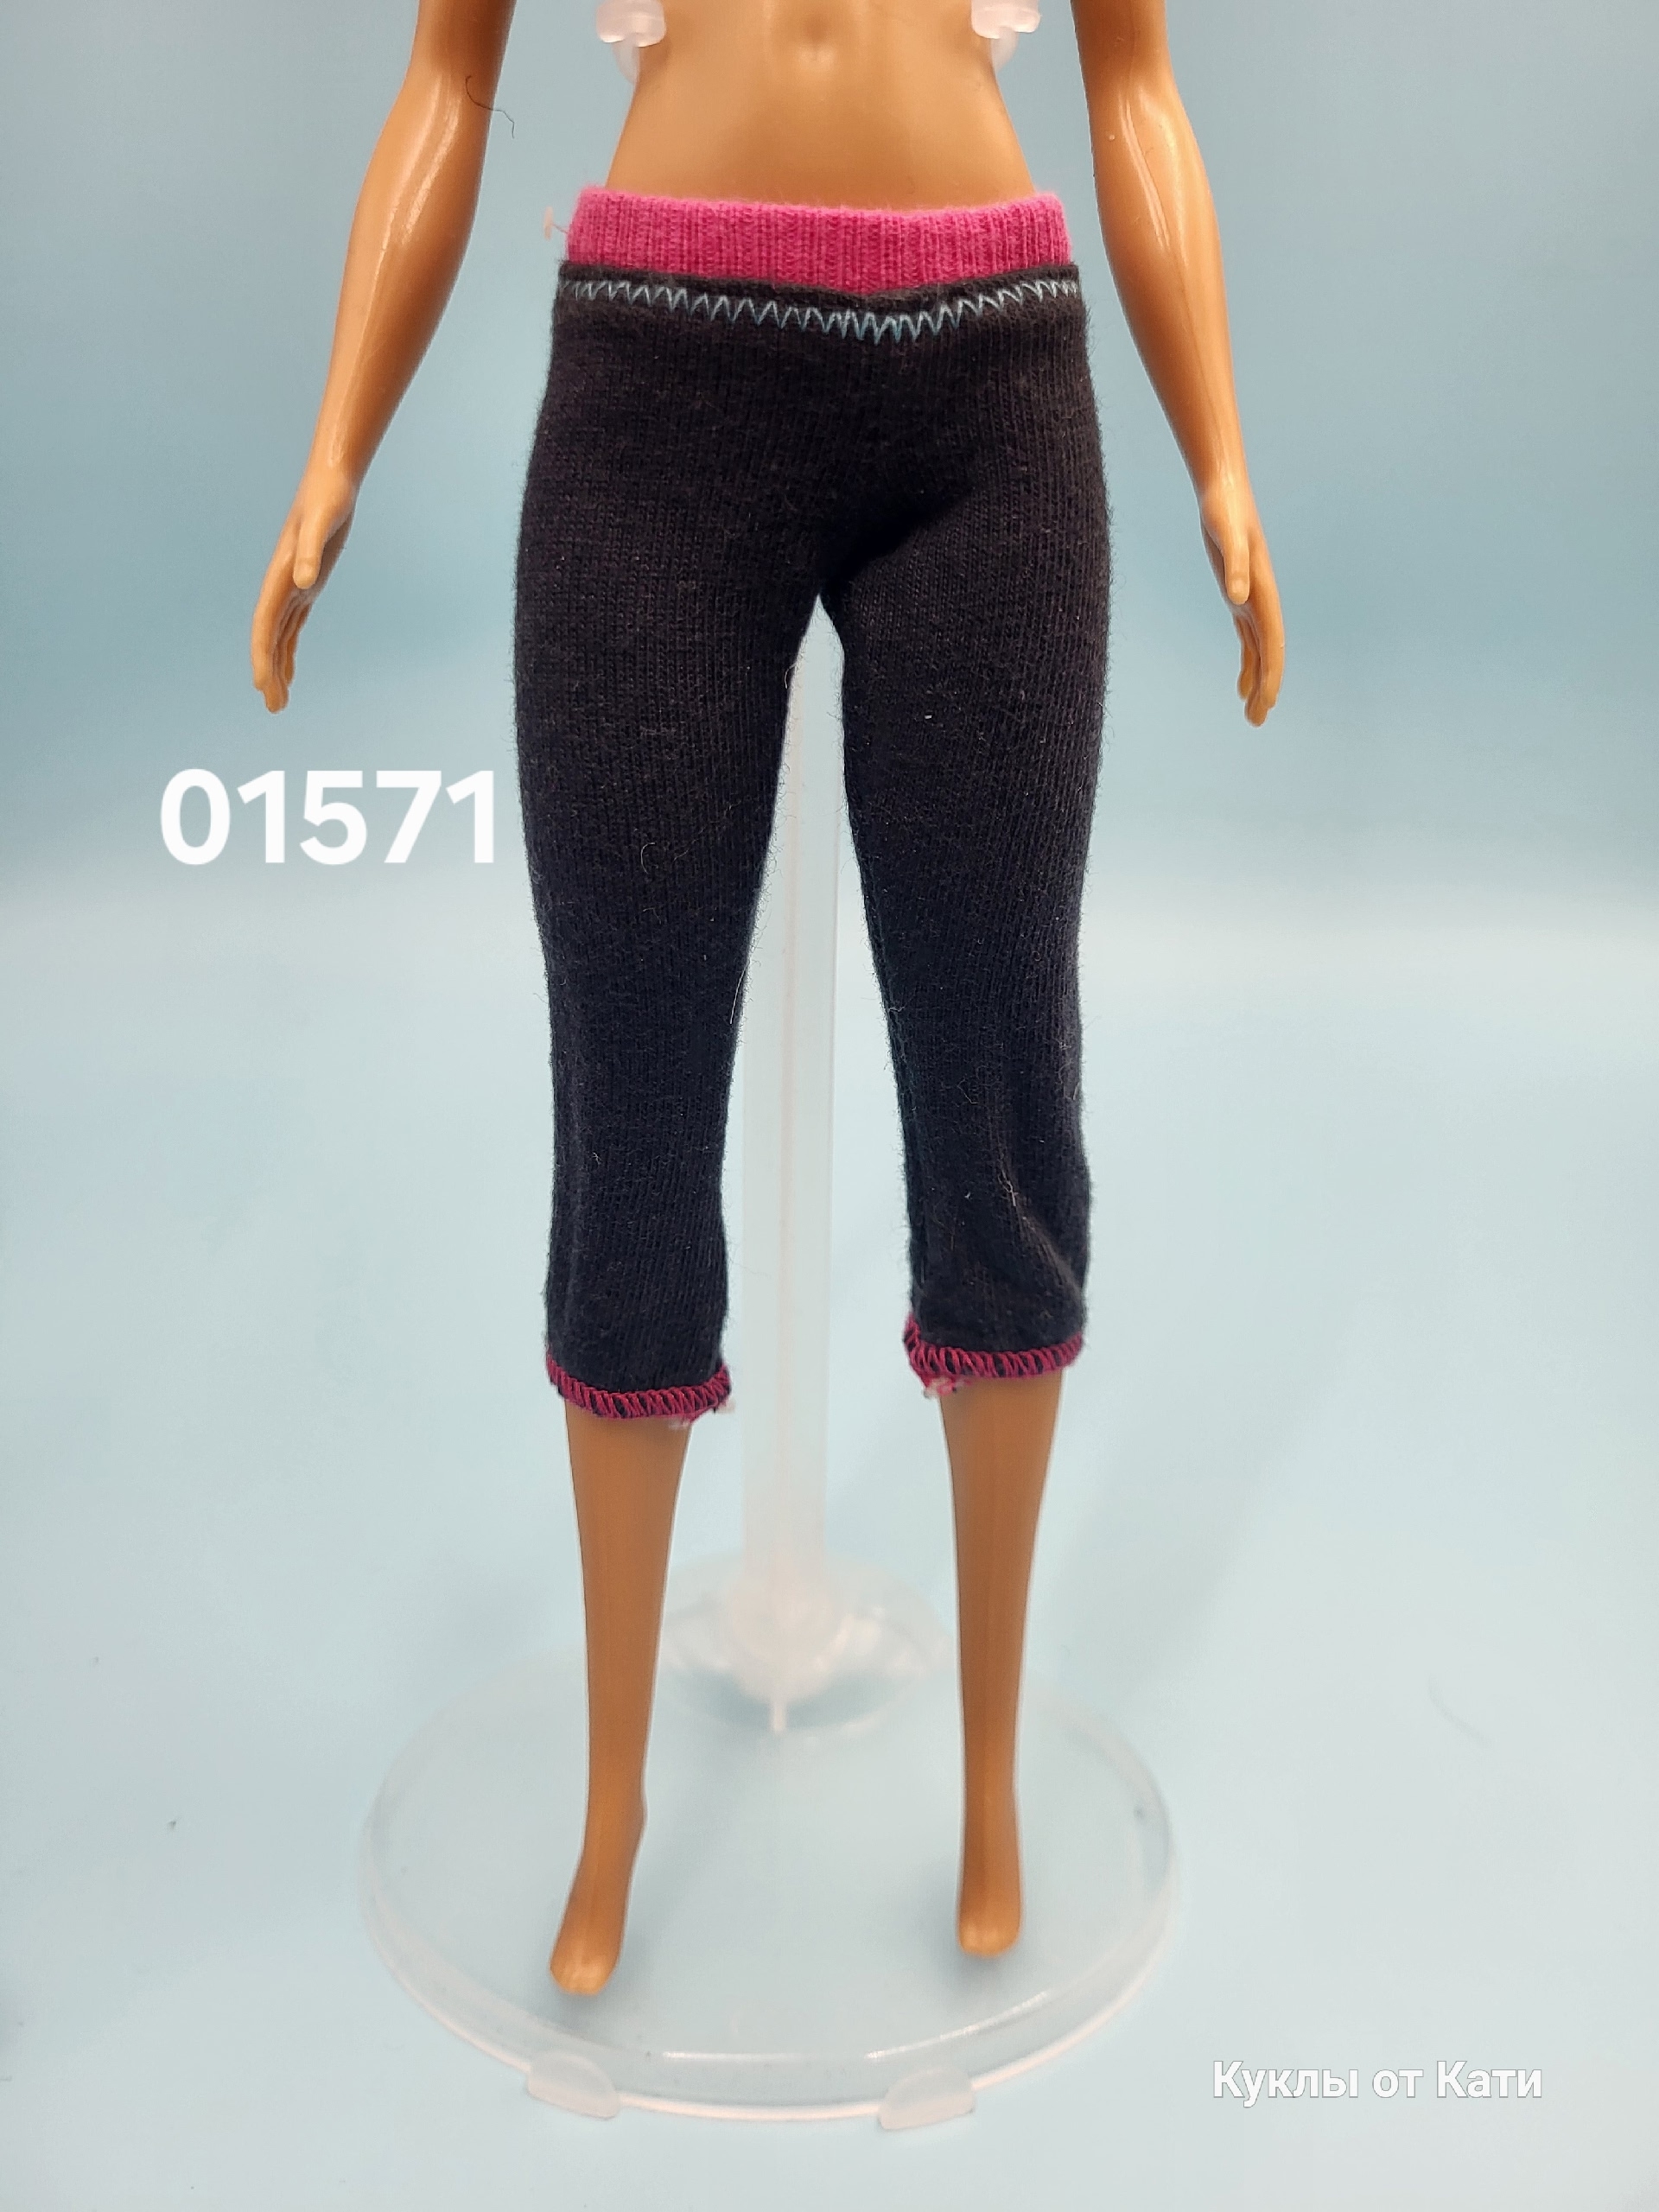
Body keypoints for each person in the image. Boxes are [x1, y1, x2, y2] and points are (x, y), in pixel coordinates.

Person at [251, 0, 1283, 1997]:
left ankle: (991, 1781)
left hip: (987, 400)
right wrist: (334, 450)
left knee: (999, 1091)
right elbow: (446, 77)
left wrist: (1220, 453)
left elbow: (1138, 89)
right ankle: (614, 1803)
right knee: (629, 1104)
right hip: (657, 393)